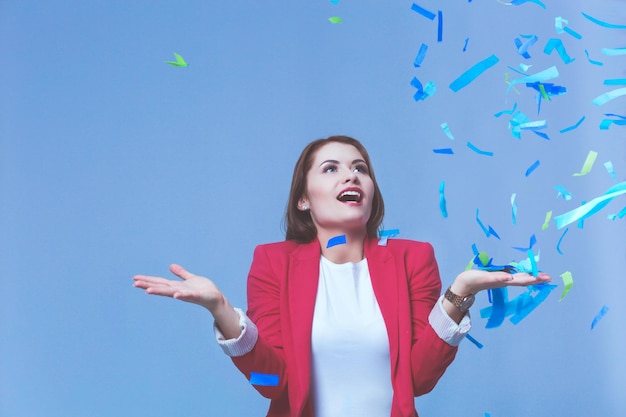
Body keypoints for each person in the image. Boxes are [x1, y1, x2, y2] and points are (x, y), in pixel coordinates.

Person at [133, 135, 551, 417]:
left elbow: (419, 381)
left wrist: (460, 294)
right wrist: (221, 310)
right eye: (330, 169)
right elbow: (272, 382)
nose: (351, 175)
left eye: (360, 168)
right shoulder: (273, 262)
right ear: (303, 199)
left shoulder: (413, 258)